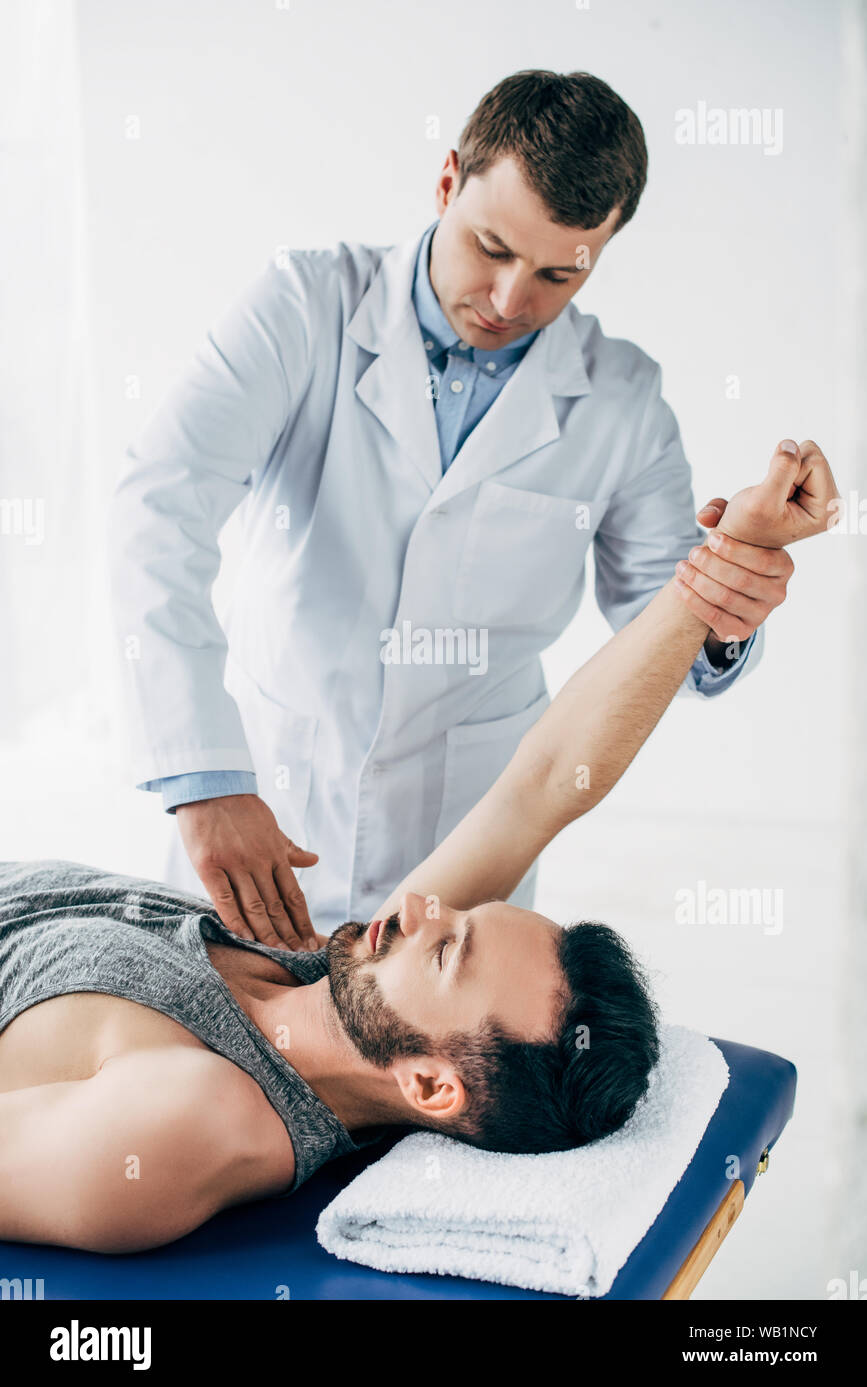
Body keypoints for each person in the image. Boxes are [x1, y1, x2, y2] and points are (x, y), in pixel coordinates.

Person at [1, 442, 837, 1253]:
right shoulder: (331, 987)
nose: (416, 909)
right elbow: (543, 785)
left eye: (445, 952)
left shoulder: (197, 1114)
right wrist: (731, 558)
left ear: (433, 1086)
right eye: (459, 915)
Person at [108, 70, 787, 947]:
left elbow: (665, 624)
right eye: (491, 247)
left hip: (463, 844)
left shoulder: (623, 402)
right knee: (217, 1047)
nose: (512, 302)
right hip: (268, 797)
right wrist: (201, 776)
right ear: (446, 181)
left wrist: (734, 586)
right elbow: (158, 509)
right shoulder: (306, 308)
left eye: (557, 272)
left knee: (427, 1075)